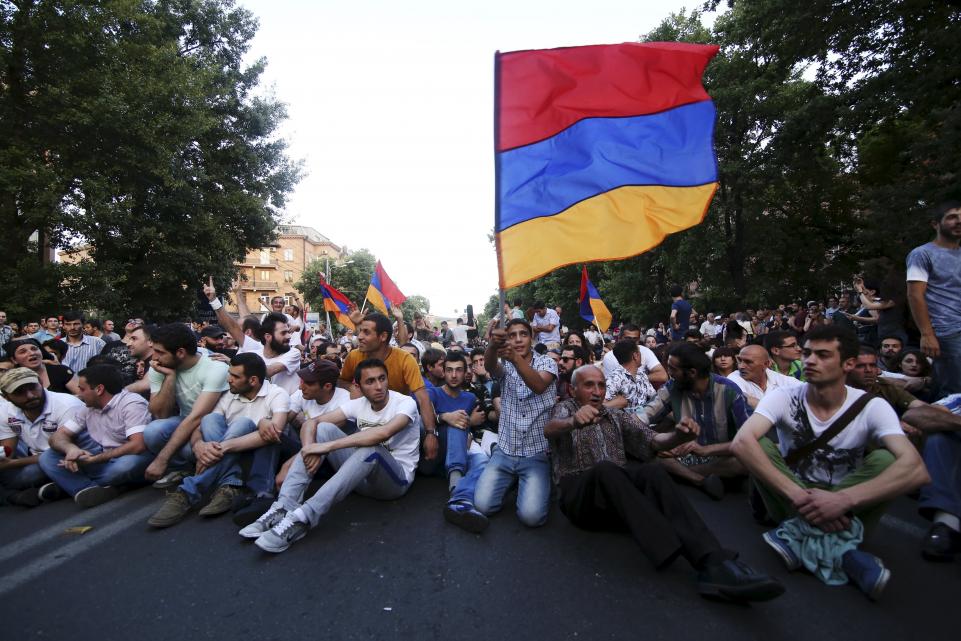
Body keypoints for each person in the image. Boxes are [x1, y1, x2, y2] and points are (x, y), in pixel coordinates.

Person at [546, 365, 784, 603]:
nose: (597, 391)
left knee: (653, 471)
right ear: (573, 389)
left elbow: (652, 440)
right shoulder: (564, 408)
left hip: (617, 496)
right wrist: (572, 422)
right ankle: (666, 541)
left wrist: (679, 436)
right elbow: (550, 429)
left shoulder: (616, 416)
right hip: (580, 497)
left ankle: (714, 562)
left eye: (601, 385)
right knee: (605, 469)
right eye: (589, 385)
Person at [730, 325, 929, 600]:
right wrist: (798, 495)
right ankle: (848, 554)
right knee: (759, 444)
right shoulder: (783, 397)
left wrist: (843, 500)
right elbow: (741, 442)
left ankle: (796, 536)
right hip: (790, 497)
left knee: (889, 458)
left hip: (848, 507)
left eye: (823, 355)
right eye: (808, 353)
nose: (810, 360)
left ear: (848, 363)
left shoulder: (871, 405)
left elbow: (916, 469)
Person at [240, 358, 420, 553]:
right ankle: (283, 507)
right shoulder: (358, 404)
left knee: (372, 449)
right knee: (323, 427)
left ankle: (303, 518)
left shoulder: (405, 403)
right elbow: (311, 424)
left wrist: (326, 447)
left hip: (394, 482)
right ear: (358, 386)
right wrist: (309, 449)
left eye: (382, 379)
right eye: (370, 382)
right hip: (359, 479)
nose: (378, 386)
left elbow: (383, 434)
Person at [147, 352, 291, 527]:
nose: (229, 379)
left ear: (253, 380)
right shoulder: (229, 395)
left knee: (243, 424)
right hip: (229, 457)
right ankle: (229, 484)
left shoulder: (277, 394)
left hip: (255, 459)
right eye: (229, 374)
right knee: (209, 419)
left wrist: (224, 447)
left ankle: (187, 492)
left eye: (235, 376)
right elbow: (200, 426)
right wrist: (199, 444)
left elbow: (275, 431)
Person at [472, 318, 556, 527]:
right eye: (512, 335)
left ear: (532, 337)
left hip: (535, 454)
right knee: (482, 506)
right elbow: (491, 366)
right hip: (505, 450)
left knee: (532, 517)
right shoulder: (505, 365)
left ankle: (528, 483)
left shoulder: (547, 362)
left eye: (523, 334)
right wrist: (492, 344)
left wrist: (516, 359)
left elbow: (538, 385)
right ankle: (512, 480)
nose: (518, 339)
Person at [642, 343, 751, 500]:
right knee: (652, 453)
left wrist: (706, 450)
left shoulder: (729, 391)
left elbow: (748, 439)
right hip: (686, 456)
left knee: (743, 461)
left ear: (692, 372)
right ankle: (699, 480)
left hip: (722, 455)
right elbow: (643, 416)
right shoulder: (672, 388)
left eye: (673, 369)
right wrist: (668, 442)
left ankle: (684, 475)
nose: (669, 373)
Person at [38, 364, 153, 508]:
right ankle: (93, 488)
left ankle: (70, 486)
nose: (79, 394)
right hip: (104, 460)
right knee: (47, 457)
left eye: (82, 389)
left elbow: (138, 445)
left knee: (125, 466)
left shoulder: (131, 403)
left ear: (99, 389)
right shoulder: (88, 407)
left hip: (132, 457)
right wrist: (71, 449)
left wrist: (93, 460)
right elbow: (57, 437)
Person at [338, 312, 439, 467]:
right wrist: (351, 387)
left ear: (383, 337)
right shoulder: (353, 356)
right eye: (360, 331)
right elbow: (342, 381)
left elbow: (423, 398)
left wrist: (431, 434)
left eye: (366, 332)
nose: (359, 337)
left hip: (399, 421)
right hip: (367, 420)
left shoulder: (405, 359)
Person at [141, 323, 229, 488]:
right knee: (153, 431)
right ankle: (184, 469)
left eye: (159, 352)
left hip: (213, 424)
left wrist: (162, 459)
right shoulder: (162, 368)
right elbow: (160, 414)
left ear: (180, 352)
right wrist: (169, 377)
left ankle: (215, 476)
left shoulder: (215, 369)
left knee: (191, 449)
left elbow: (198, 417)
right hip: (186, 420)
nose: (154, 358)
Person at [0, 368, 83, 506]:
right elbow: (7, 451)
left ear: (40, 382)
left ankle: (14, 496)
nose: (30, 396)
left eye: (33, 388)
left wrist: (12, 464)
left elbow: (68, 452)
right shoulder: (5, 411)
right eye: (19, 392)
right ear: (7, 397)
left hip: (70, 457)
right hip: (36, 459)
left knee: (27, 476)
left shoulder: (66, 405)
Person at [907, 201, 961, 397]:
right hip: (946, 331)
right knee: (955, 393)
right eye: (952, 217)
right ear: (935, 224)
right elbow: (915, 294)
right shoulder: (922, 254)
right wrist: (927, 334)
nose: (959, 221)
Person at [726, 344, 802, 409]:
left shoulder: (782, 379)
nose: (741, 366)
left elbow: (807, 392)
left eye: (748, 362)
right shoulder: (734, 378)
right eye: (740, 360)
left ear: (766, 364)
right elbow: (743, 398)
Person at [5, 337, 79, 394]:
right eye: (23, 352)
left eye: (34, 349)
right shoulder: (10, 378)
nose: (32, 353)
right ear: (14, 360)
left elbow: (83, 395)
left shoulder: (61, 371)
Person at [600, 324, 668, 386]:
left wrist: (638, 378)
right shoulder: (610, 357)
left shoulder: (645, 351)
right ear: (619, 339)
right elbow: (614, 386)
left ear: (638, 340)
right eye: (627, 339)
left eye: (635, 339)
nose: (631, 342)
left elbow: (663, 376)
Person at [604, 339, 656, 412]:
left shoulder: (641, 374)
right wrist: (618, 403)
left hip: (646, 420)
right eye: (640, 353)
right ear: (635, 356)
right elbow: (602, 406)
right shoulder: (614, 378)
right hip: (624, 422)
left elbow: (654, 398)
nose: (642, 355)